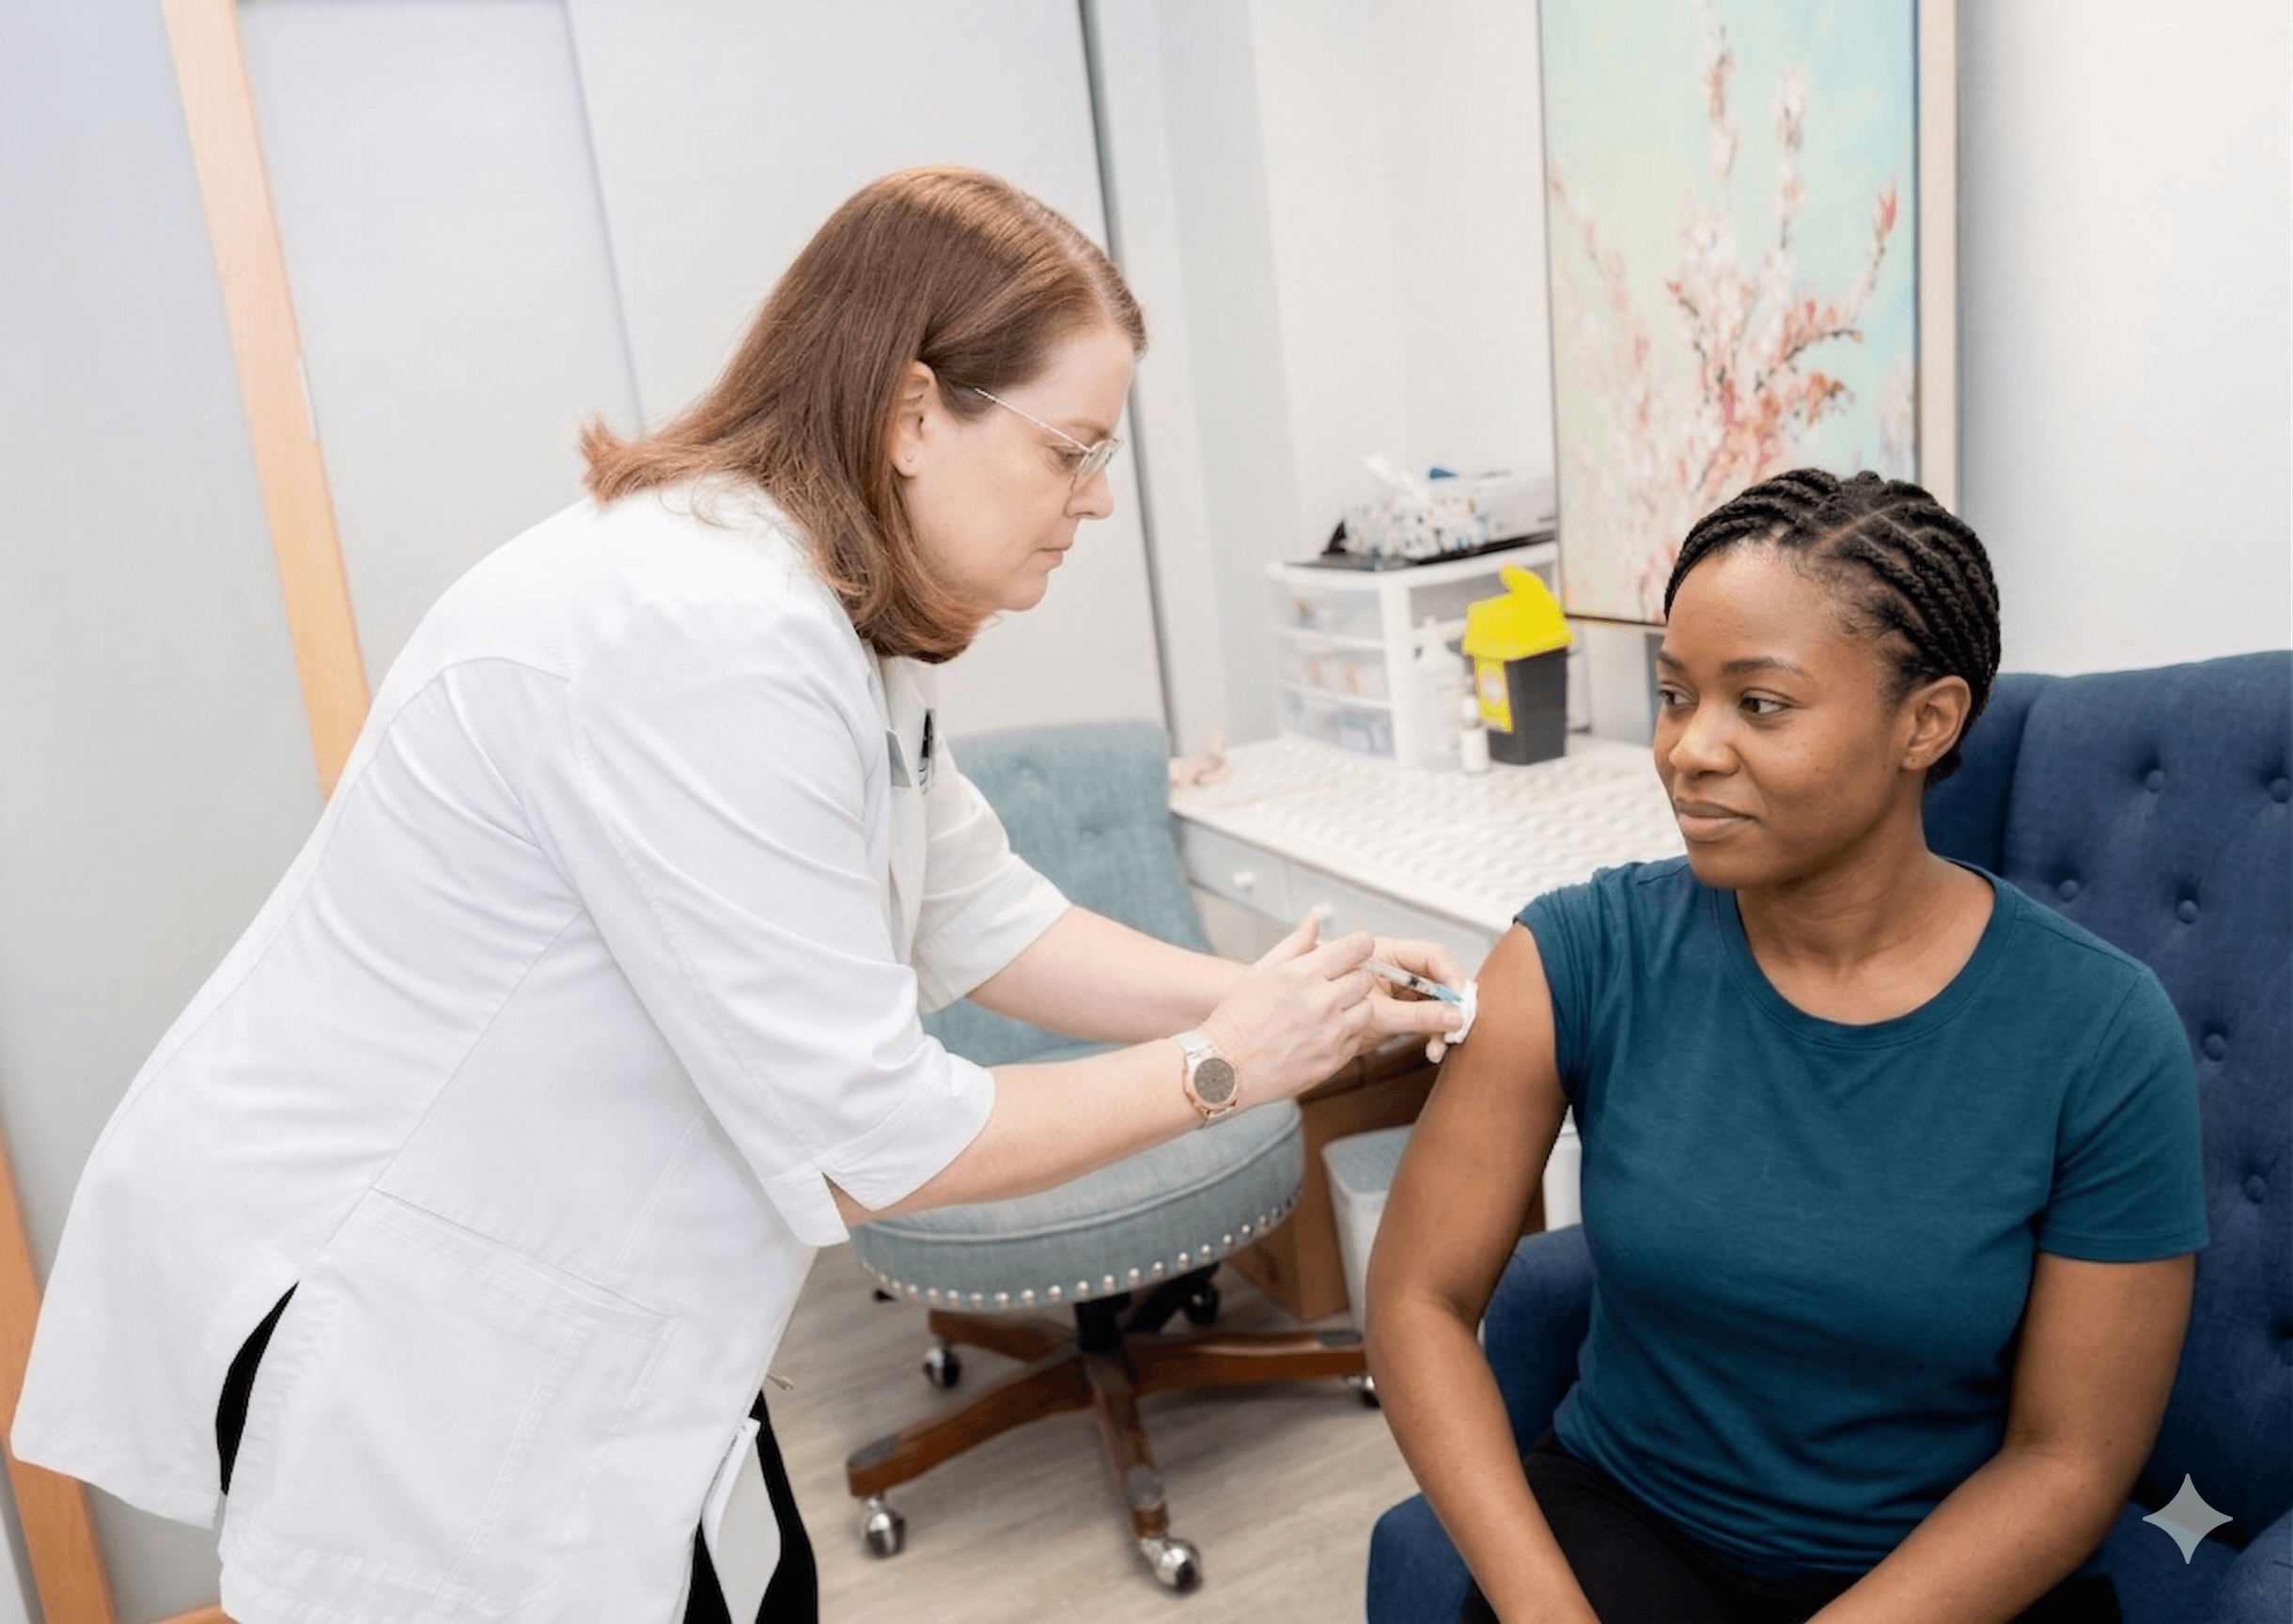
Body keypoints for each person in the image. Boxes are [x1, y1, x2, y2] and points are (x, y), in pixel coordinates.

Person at [12, 167, 1462, 1624]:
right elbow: (870, 1145)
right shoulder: (700, 636)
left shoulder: (836, 620)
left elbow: (988, 916)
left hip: (592, 1312)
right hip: (413, 1331)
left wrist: (1292, 996)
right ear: (910, 414)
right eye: (1073, 450)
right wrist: (1229, 1065)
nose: (1092, 500)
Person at [1367, 468, 2206, 1624]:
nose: (1687, 751)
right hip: (1626, 1519)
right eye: (1674, 696)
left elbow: (2068, 1457)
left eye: (1758, 705)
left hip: (1938, 1569)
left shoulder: (2100, 1035)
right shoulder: (1576, 957)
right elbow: (1417, 1298)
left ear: (1927, 721)